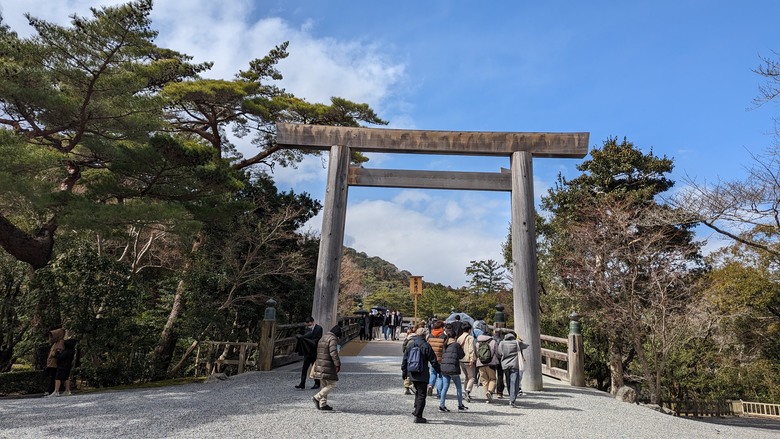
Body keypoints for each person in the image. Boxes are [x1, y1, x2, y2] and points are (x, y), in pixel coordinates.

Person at [402, 327, 441, 424]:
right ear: (425, 335)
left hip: (412, 372)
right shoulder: (426, 345)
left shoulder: (410, 344)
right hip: (422, 373)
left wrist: (404, 372)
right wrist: (439, 371)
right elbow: (433, 361)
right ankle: (418, 416)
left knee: (417, 392)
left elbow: (405, 359)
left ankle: (416, 411)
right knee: (421, 395)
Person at [312, 325, 342, 411]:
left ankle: (323, 404)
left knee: (324, 384)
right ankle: (317, 397)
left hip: (320, 363)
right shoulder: (332, 339)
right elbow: (333, 352)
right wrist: (337, 364)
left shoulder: (323, 337)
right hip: (327, 364)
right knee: (332, 384)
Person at [439, 329, 468, 412]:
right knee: (458, 387)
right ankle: (460, 405)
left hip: (444, 368)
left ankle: (441, 405)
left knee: (445, 387)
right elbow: (462, 355)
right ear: (455, 337)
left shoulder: (445, 344)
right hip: (453, 368)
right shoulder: (456, 345)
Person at [497, 331, 527, 408]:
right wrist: (520, 340)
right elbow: (526, 345)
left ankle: (511, 396)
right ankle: (512, 399)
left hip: (505, 365)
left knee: (508, 381)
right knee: (514, 382)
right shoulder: (517, 343)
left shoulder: (502, 343)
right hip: (514, 365)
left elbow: (499, 353)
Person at [295, 316, 323, 390]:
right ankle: (302, 383)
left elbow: (318, 338)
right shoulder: (306, 329)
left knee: (315, 368)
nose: (308, 325)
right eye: (307, 324)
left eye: (309, 324)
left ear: (313, 322)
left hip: (315, 350)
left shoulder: (319, 328)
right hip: (307, 351)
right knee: (304, 368)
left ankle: (317, 383)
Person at [475, 327, 499, 403]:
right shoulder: (493, 342)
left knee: (484, 381)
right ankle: (490, 391)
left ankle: (487, 397)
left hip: (480, 364)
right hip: (491, 363)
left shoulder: (477, 343)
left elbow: (476, 353)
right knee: (492, 379)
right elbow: (497, 353)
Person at [456, 321, 477, 402]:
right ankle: (467, 391)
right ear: (469, 329)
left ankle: (465, 391)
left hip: (461, 360)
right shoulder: (470, 337)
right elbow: (471, 349)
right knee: (472, 377)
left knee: (466, 377)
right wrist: (472, 359)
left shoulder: (459, 338)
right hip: (468, 360)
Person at [426, 320, 447, 397]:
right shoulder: (444, 336)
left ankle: (430, 385)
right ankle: (439, 393)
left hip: (432, 358)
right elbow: (445, 348)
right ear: (441, 327)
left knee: (433, 373)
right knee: (441, 376)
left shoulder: (430, 335)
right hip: (441, 358)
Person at [44, 327, 65, 397]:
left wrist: (54, 355)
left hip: (55, 363)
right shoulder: (55, 343)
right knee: (52, 377)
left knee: (54, 377)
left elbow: (60, 353)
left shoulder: (60, 342)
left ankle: (52, 390)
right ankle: (50, 390)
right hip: (52, 363)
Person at [401, 327, 415, 395]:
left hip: (408, 358)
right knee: (412, 373)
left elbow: (403, 349)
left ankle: (407, 388)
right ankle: (412, 386)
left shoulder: (407, 339)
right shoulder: (415, 339)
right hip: (414, 358)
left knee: (407, 374)